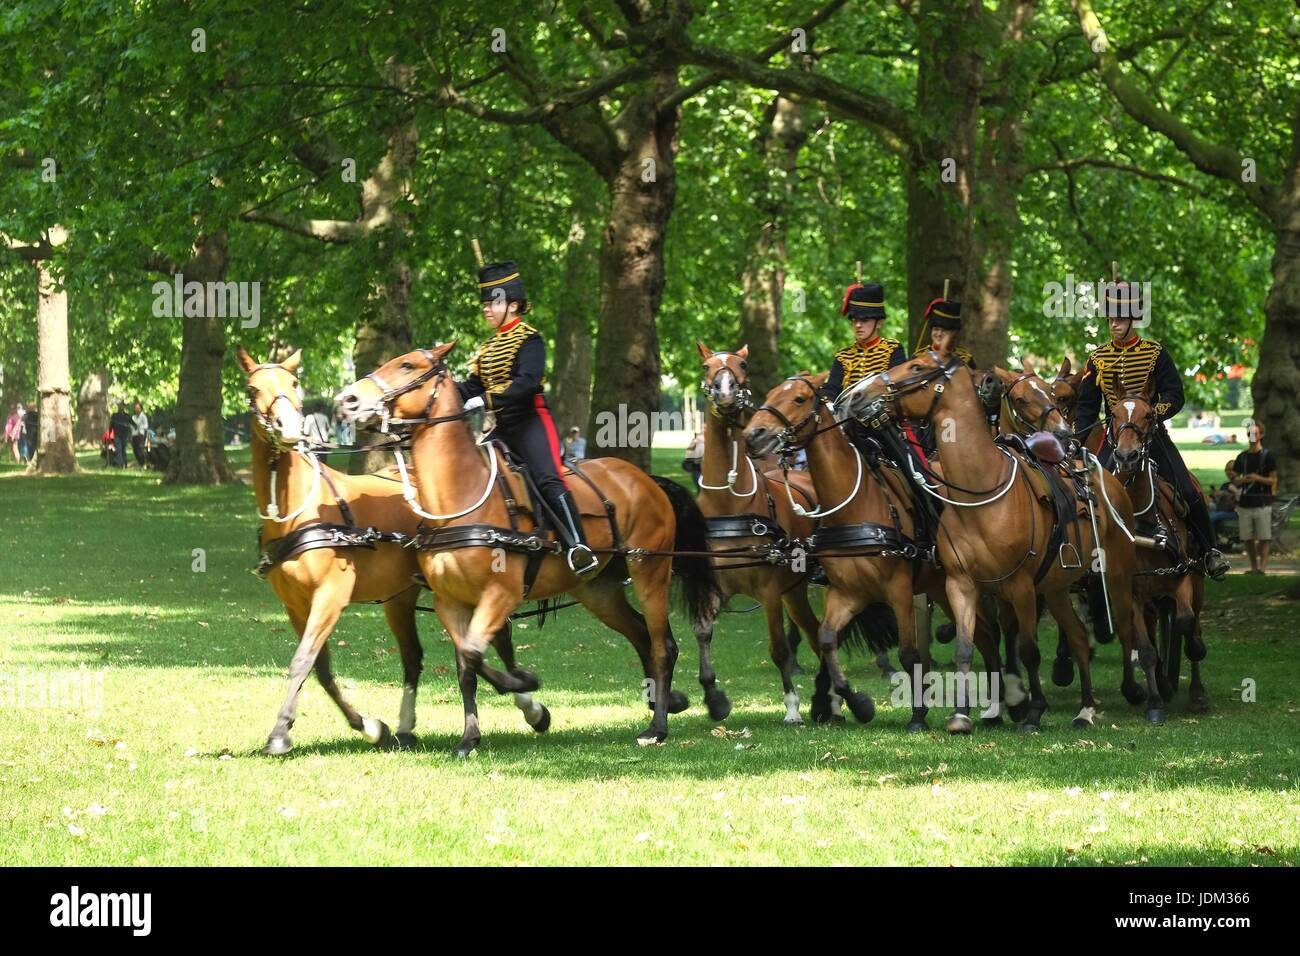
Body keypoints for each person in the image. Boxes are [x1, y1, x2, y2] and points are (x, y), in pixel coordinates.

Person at [1074, 279, 1230, 579]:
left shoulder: (1155, 353)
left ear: (1133, 319)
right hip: (1113, 438)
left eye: (1119, 318)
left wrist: (1152, 413)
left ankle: (1211, 550)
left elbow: (1175, 394)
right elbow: (1085, 407)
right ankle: (1088, 559)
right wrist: (1079, 438)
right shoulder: (1097, 358)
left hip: (1152, 434)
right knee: (1087, 493)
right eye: (1110, 318)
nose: (1114, 324)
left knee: (1188, 488)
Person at [459, 260, 597, 573]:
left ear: (514, 304)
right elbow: (471, 386)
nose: (486, 310)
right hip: (501, 428)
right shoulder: (488, 348)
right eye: (484, 304)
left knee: (548, 477)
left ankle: (578, 546)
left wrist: (486, 398)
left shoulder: (529, 339)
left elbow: (527, 382)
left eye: (492, 303)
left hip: (531, 422)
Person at [1229, 421, 1277, 574]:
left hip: (1262, 502)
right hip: (1245, 502)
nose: (1252, 436)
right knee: (1247, 537)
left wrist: (1257, 478)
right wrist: (1242, 480)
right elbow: (1234, 478)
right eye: (1250, 433)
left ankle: (1262, 568)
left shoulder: (1268, 456)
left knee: (1264, 537)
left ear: (1261, 435)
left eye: (1255, 433)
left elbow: (1273, 480)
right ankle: (1253, 567)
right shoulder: (1242, 457)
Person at [912, 296, 976, 369]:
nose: (939, 334)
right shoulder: (919, 357)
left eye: (944, 330)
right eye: (936, 329)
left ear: (953, 333)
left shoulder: (965, 359)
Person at [1208, 461, 1241, 545]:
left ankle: (1214, 542)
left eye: (1231, 469)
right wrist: (1216, 495)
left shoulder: (1242, 484)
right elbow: (1217, 501)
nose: (1229, 472)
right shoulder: (1225, 485)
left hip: (1235, 512)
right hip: (1222, 510)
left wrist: (1235, 491)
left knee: (1211, 518)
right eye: (1227, 470)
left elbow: (1242, 500)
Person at [108, 402, 133, 468]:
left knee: (123, 450)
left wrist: (130, 433)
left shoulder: (127, 416)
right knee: (119, 449)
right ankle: (121, 464)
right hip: (117, 435)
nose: (121, 407)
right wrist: (109, 435)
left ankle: (125, 463)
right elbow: (111, 426)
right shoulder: (114, 416)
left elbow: (133, 424)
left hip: (125, 436)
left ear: (124, 407)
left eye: (122, 406)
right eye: (119, 406)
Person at [131, 401, 149, 468]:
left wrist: (140, 427)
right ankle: (140, 463)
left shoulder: (143, 416)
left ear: (141, 409)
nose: (137, 409)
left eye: (138, 408)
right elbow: (131, 425)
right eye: (135, 408)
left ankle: (143, 463)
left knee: (140, 449)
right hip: (134, 435)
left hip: (141, 435)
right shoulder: (133, 417)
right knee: (135, 450)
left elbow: (146, 426)